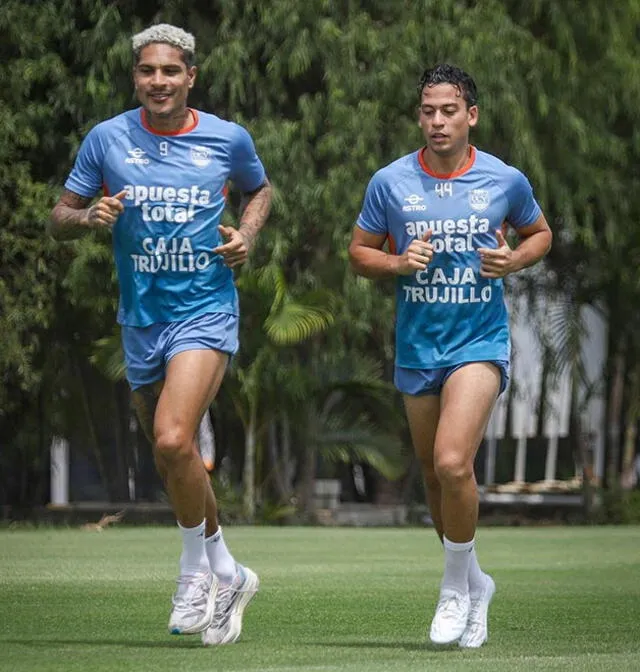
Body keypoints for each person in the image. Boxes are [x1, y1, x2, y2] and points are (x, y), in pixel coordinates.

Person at [49, 23, 272, 646]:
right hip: (140, 318)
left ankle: (193, 571)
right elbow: (58, 216)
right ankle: (226, 571)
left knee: (176, 437)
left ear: (190, 77)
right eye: (148, 71)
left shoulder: (227, 138)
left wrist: (247, 235)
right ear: (136, 77)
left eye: (170, 71)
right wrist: (88, 214)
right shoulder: (107, 139)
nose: (158, 81)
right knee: (167, 453)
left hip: (205, 310)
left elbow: (260, 190)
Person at [348, 64, 552, 648]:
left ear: (471, 115)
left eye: (449, 110)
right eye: (428, 111)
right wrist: (397, 262)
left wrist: (514, 261)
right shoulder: (389, 182)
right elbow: (359, 252)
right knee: (436, 483)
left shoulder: (503, 179)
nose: (438, 121)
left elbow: (540, 235)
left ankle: (454, 588)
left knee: (452, 462)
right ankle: (477, 581)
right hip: (418, 347)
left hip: (479, 343)